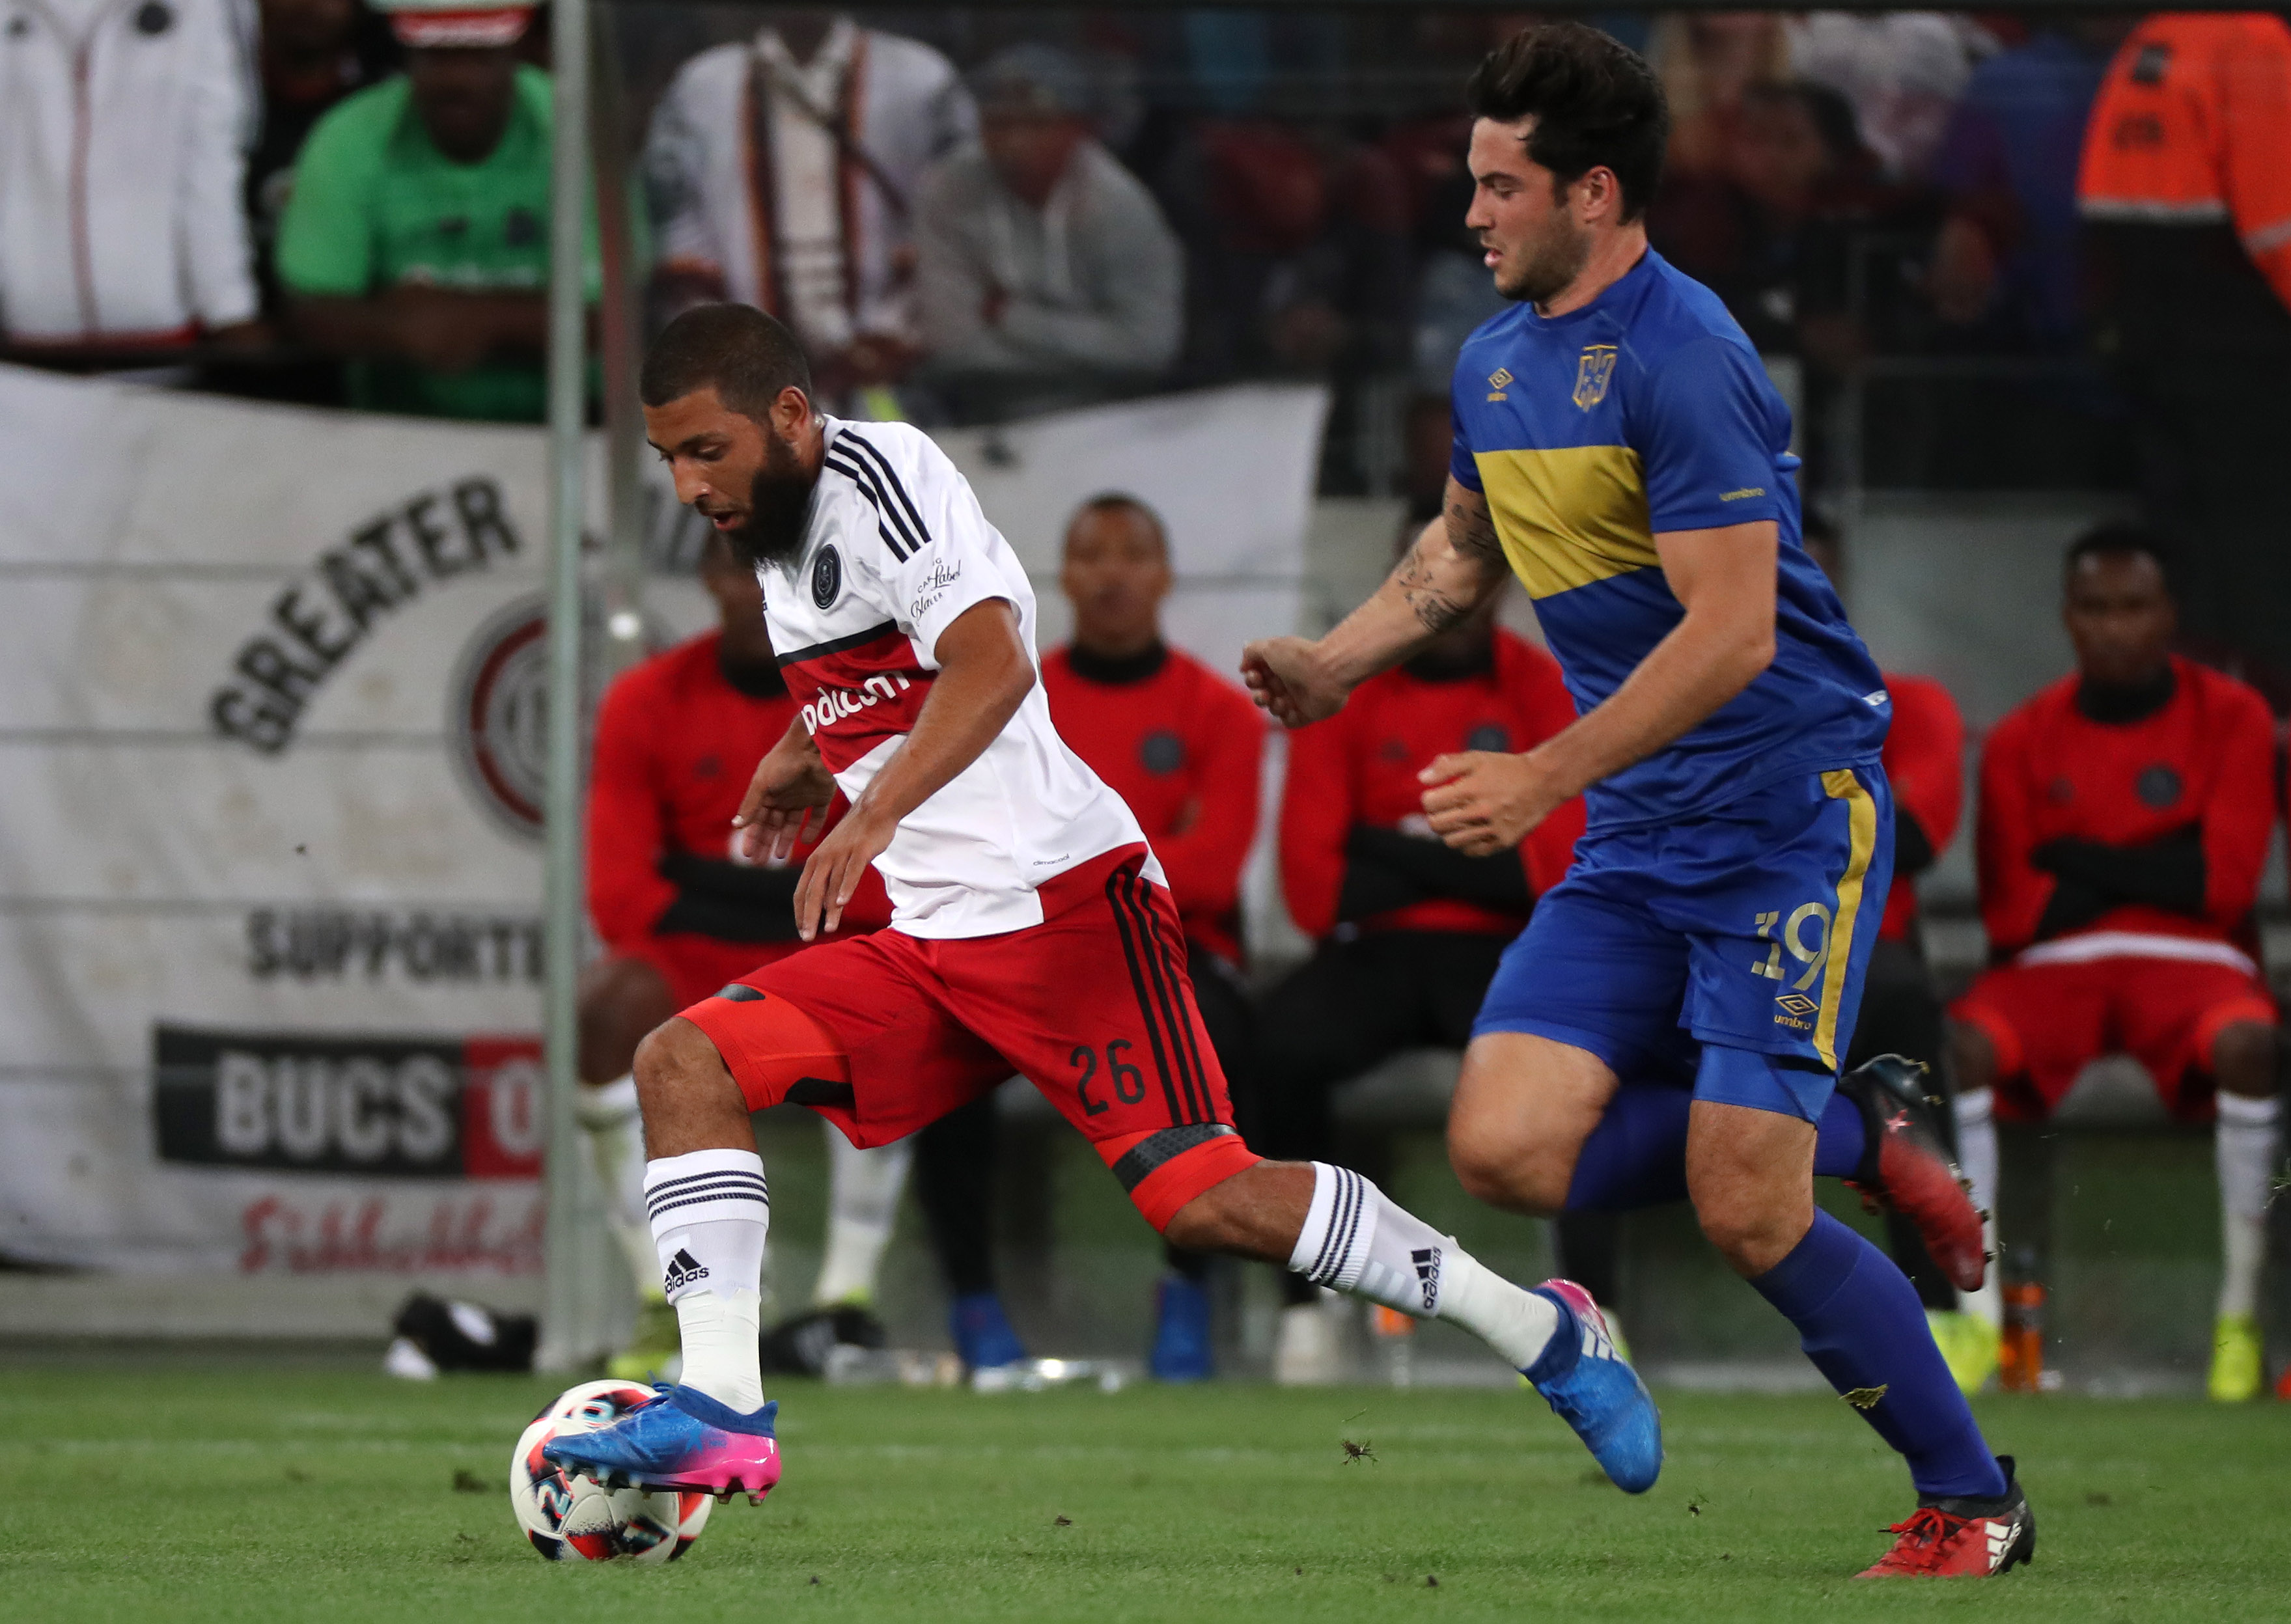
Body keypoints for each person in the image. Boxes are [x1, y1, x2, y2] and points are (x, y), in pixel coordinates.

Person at [544, 301, 1661, 1506]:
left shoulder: (884, 476)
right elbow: (878, 665)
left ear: (790, 414)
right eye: (668, 458)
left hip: (1066, 909)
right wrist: (804, 749)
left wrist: (869, 816)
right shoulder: (765, 524)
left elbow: (990, 660)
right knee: (683, 1063)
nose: (687, 483)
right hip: (931, 940)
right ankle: (720, 1408)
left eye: (704, 450)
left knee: (1204, 1197)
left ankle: (1541, 1330)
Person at [1240, 25, 2025, 1578]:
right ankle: (1857, 1129)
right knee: (1503, 1145)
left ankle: (1972, 1500)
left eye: (1500, 185)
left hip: (1782, 811)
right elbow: (1461, 549)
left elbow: (1731, 635)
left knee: (1746, 1207)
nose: (1470, 212)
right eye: (1472, 181)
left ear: (1592, 193)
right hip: (1638, 829)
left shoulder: (1685, 353)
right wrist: (1335, 660)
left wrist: (1540, 769)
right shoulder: (1493, 358)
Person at [581, 532, 924, 1382]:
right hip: (705, 956)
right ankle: (664, 1292)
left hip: (821, 954)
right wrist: (793, 884)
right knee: (605, 1010)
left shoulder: (866, 698)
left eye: (784, 570)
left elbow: (890, 892)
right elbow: (618, 895)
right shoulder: (646, 699)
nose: (763, 589)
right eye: (744, 568)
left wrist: (699, 875)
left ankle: (845, 1299)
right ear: (709, 578)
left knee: (901, 1001)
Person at [1949, 524, 2278, 1403]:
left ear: (2168, 614)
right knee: (1958, 1046)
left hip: (2194, 959)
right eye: (2093, 607)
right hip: (2051, 967)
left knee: (2252, 1045)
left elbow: (2221, 886)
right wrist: (2164, 855)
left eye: (2132, 606)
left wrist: (2073, 856)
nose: (2113, 627)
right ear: (2067, 616)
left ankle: (2237, 1319)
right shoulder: (2020, 736)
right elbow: (2013, 914)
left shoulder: (2233, 716)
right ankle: (1978, 1319)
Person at [1255, 524, 1583, 1383]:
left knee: (1590, 1046)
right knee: (1274, 1045)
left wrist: (1381, 842)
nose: (1457, 593)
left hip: (1508, 950)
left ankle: (1592, 1302)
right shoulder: (1342, 688)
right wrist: (1479, 850)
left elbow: (1558, 871)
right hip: (1380, 954)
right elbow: (1313, 890)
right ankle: (1304, 1310)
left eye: (1479, 572)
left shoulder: (1543, 684)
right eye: (1431, 570)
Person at [1040, 493, 1266, 1379]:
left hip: (1171, 952)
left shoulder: (1218, 710)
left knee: (1220, 1038)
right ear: (1063, 577)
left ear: (1165, 576)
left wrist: (1063, 867)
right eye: (1091, 554)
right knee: (938, 1046)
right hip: (1034, 953)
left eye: (1131, 554)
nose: (1111, 573)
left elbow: (1211, 872)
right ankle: (973, 1302)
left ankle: (1187, 1286)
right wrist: (1135, 862)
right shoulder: (1012, 705)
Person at [1801, 519, 1984, 1390]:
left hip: (1862, 945)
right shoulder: (1696, 699)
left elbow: (1911, 838)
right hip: (1729, 942)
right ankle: (1596, 1309)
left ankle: (1943, 1306)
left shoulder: (1904, 702)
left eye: (1806, 572)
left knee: (1899, 1001)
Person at [2076, 13, 2291, 703]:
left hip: (2151, 343)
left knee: (2185, 554)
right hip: (2242, 343)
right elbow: (2278, 223)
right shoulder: (2254, 44)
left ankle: (2195, 716)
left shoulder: (2151, 41)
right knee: (2261, 557)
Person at [274, 0, 600, 420]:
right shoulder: (348, 136)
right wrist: (398, 329)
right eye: (436, 55)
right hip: (395, 428)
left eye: (480, 56)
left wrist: (477, 320)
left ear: (516, 51)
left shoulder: (578, 129)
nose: (457, 79)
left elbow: (618, 315)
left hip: (569, 428)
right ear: (407, 54)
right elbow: (309, 309)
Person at [642, 8, 973, 413]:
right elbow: (678, 223)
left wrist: (896, 331)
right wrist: (726, 339)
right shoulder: (702, 86)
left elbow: (951, 216)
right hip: (746, 376)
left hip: (893, 374)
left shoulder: (919, 79)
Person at [913, 45, 1182, 422]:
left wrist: (1010, 317)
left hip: (1110, 415)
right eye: (998, 123)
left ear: (1078, 130)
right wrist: (1088, 347)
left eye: (1035, 124)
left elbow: (1149, 347)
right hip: (983, 414)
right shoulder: (951, 187)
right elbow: (951, 343)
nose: (1013, 142)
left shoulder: (1120, 206)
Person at [1, 0, 260, 357]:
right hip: (24, 331)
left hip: (164, 327)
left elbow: (213, 159)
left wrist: (228, 306)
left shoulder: (202, 9)